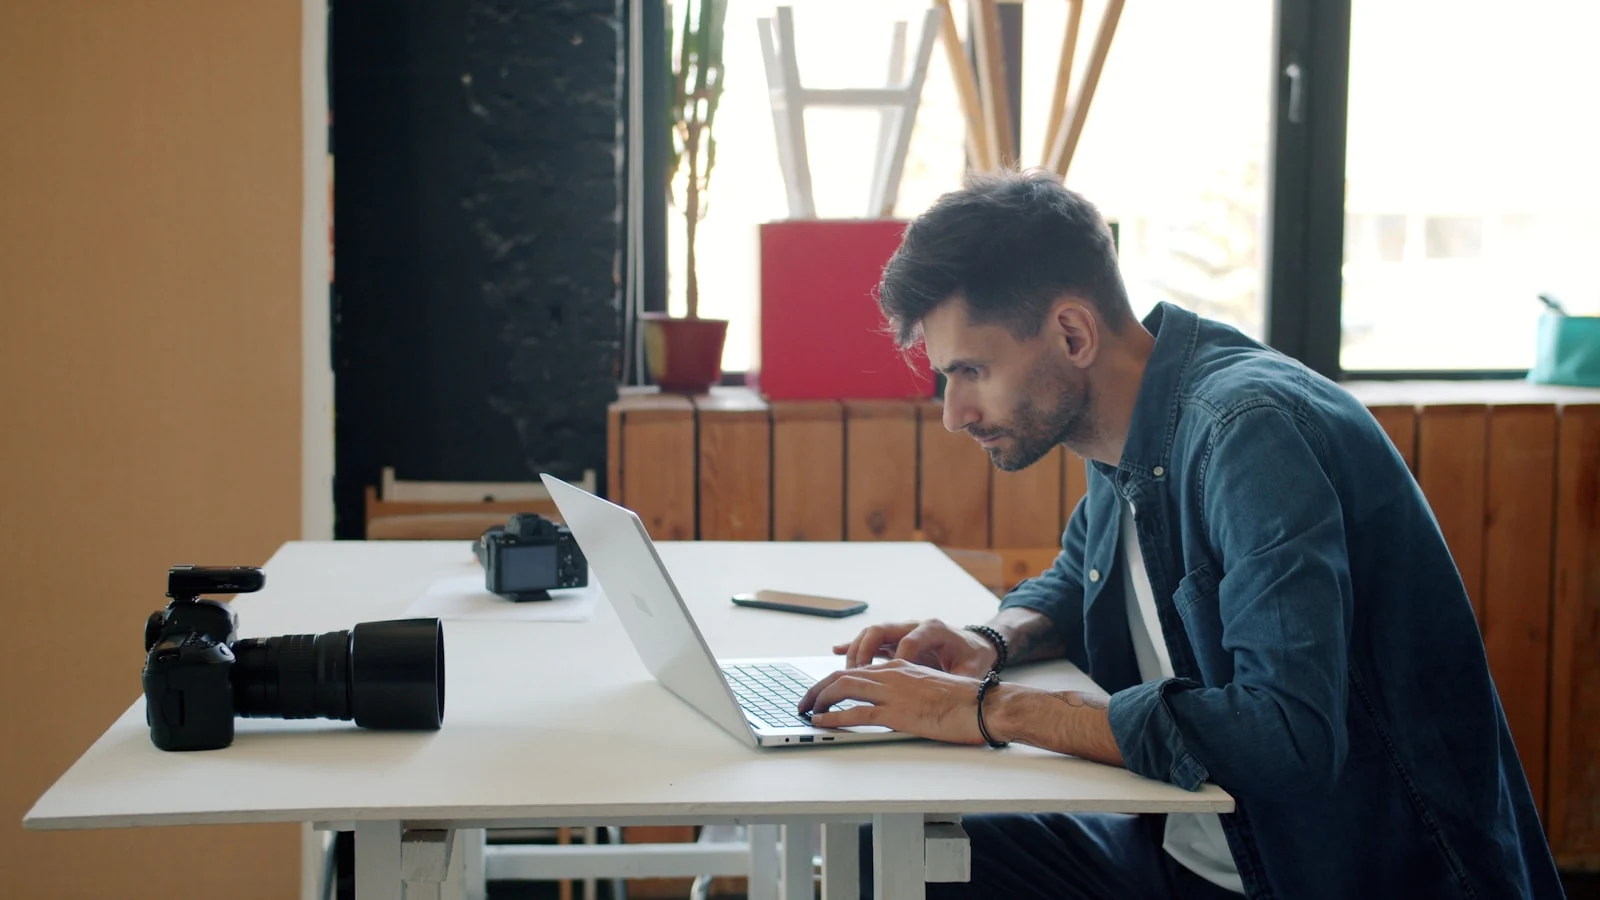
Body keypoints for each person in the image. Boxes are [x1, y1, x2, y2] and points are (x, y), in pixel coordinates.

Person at [796, 169, 1563, 899]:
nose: (954, 413)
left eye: (970, 372)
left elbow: (1288, 735)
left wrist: (987, 708)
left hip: (1325, 879)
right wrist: (989, 642)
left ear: (1070, 334)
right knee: (891, 856)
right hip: (1186, 850)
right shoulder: (1127, 418)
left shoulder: (1248, 435)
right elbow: (1079, 577)